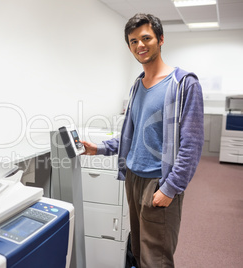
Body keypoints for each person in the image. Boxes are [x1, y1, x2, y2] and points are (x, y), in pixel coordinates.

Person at [82, 13, 204, 268]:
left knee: (156, 257)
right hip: (133, 178)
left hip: (158, 181)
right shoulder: (137, 85)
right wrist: (101, 148)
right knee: (138, 249)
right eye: (133, 41)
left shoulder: (184, 83)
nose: (140, 45)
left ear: (160, 39)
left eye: (146, 38)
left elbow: (192, 145)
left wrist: (170, 189)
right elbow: (132, 134)